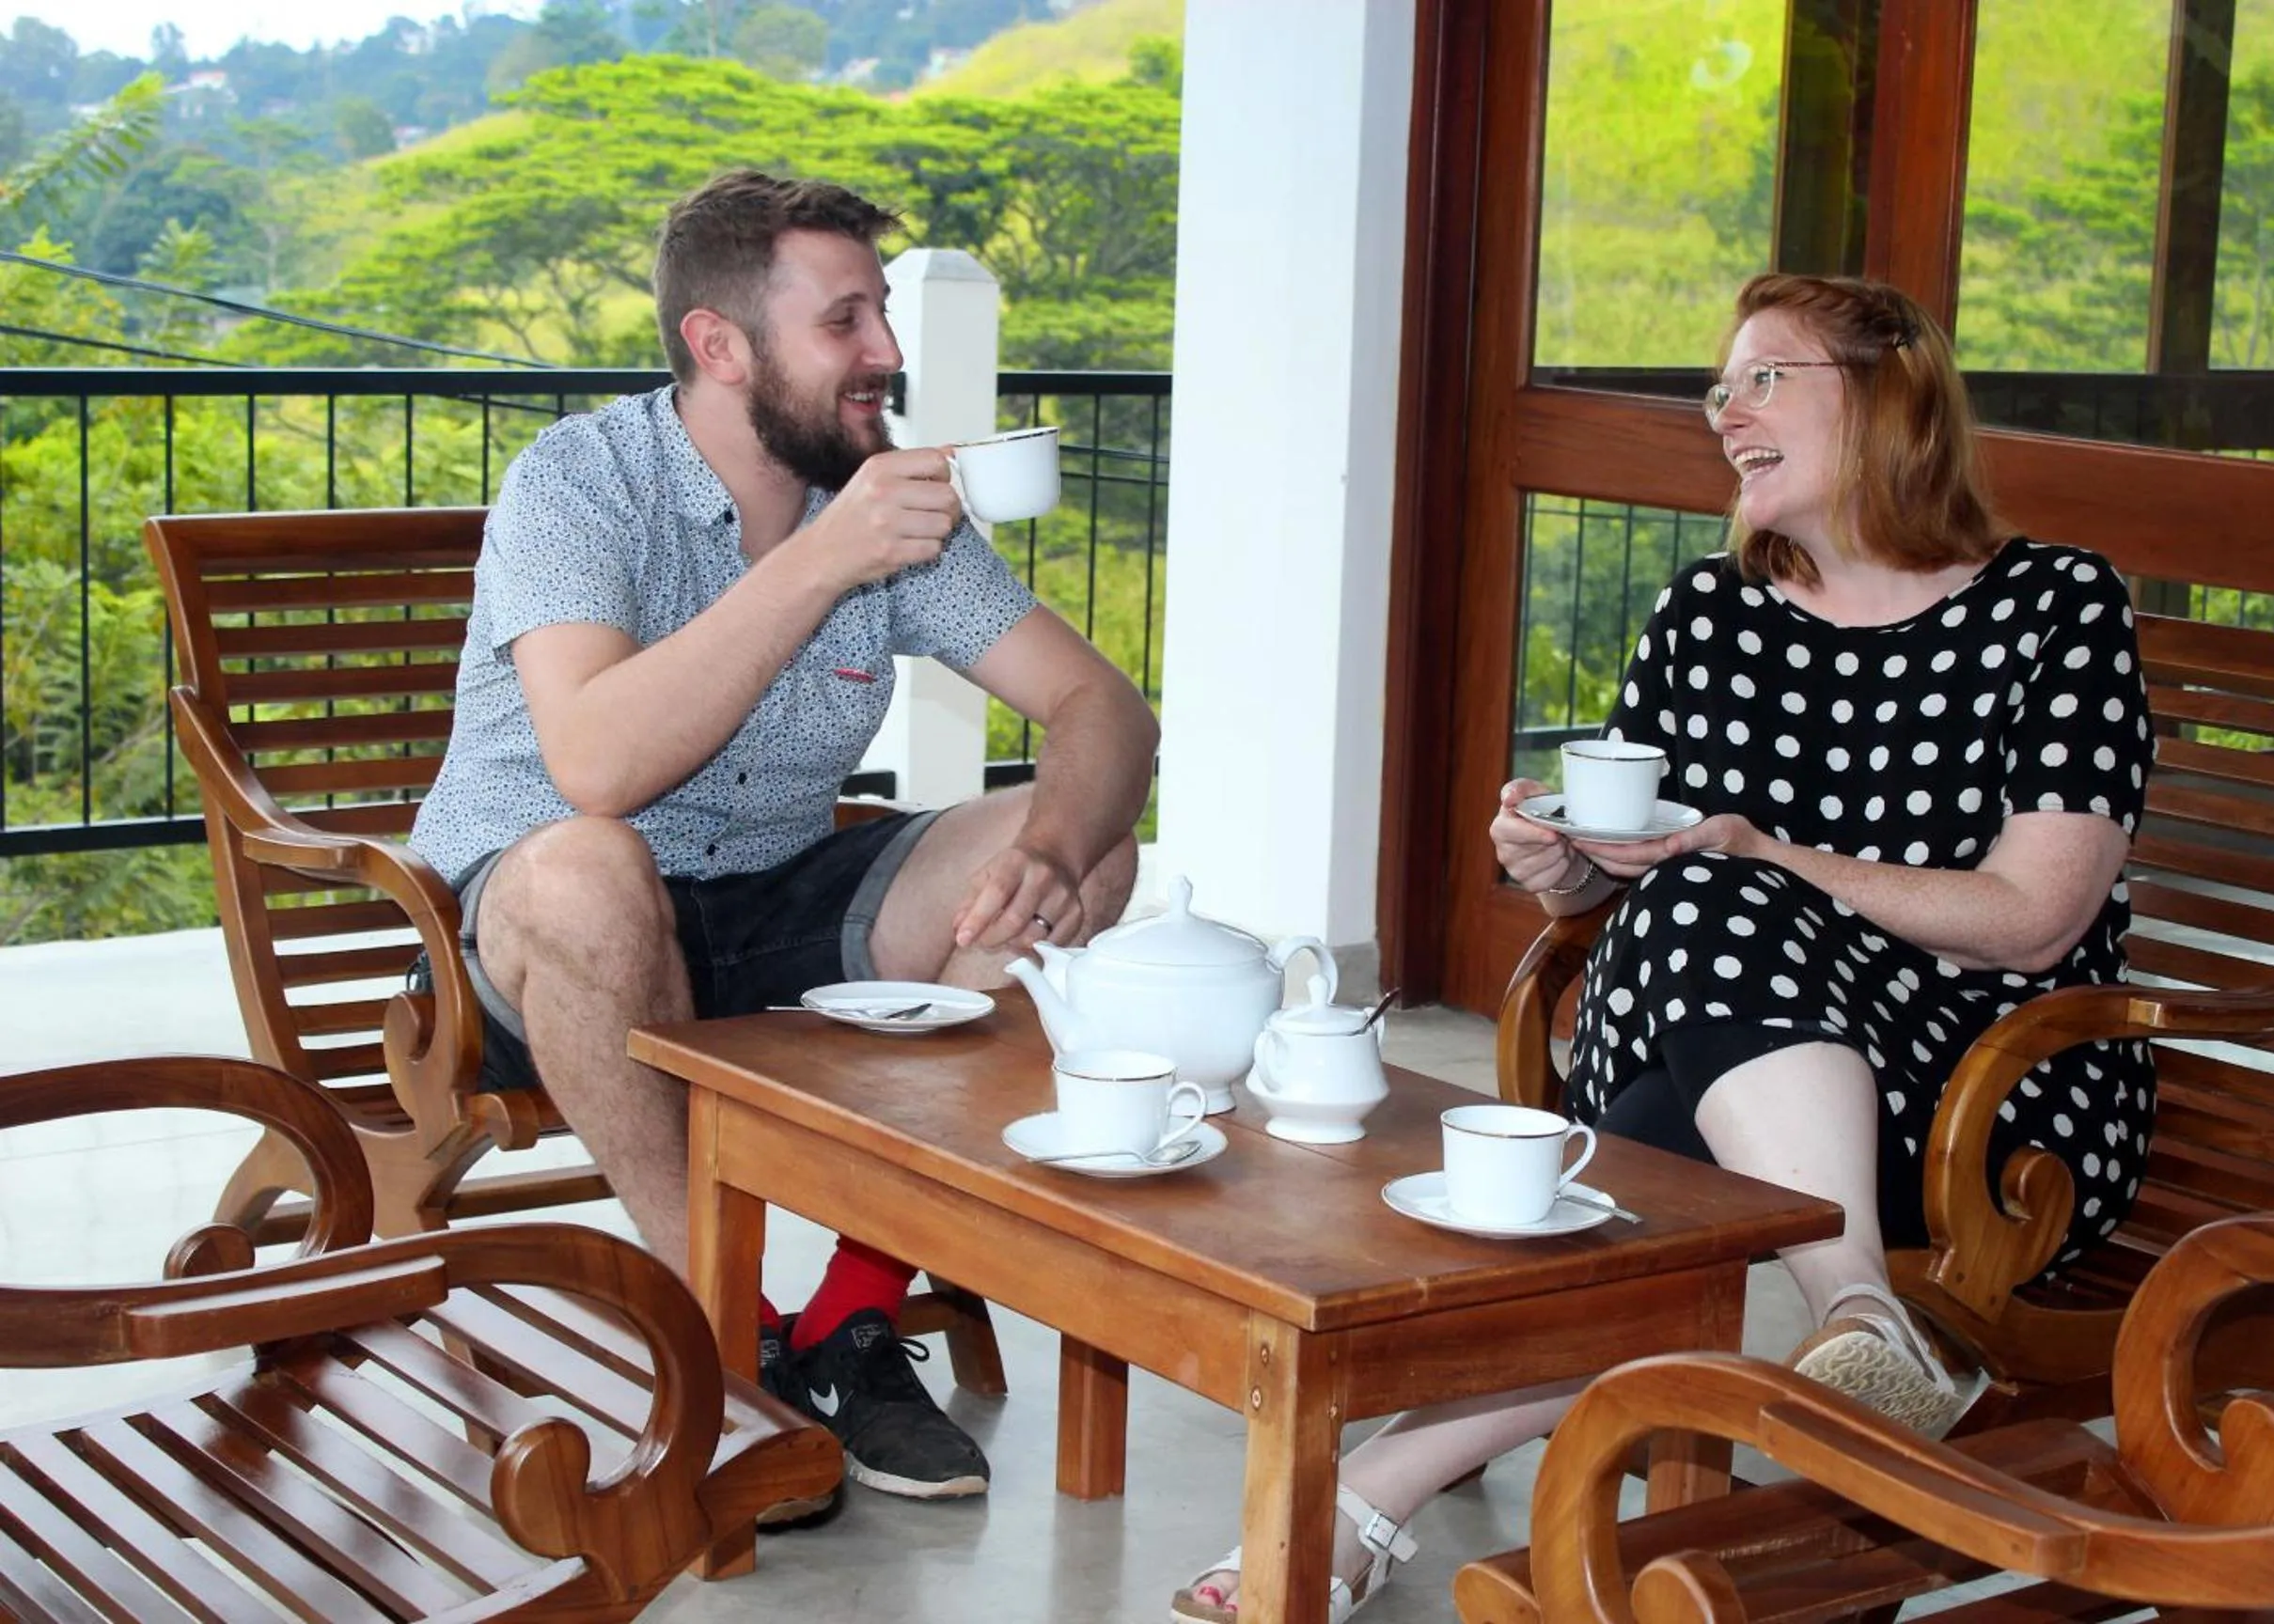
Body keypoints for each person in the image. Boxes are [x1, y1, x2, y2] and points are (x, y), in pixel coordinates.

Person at [1170, 272, 2154, 1621]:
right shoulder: (1714, 615)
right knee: (1698, 917)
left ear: (1889, 396)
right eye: (1719, 391)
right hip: (1727, 1039)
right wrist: (1562, 861)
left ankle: (1376, 1491)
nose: (1725, 416)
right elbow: (1639, 877)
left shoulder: (2056, 609)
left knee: (1681, 1033)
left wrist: (1764, 856)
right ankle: (1863, 1319)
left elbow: (2035, 915)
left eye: (1765, 379)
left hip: (1981, 1093)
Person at [409, 169, 1159, 1507]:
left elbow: (1103, 706)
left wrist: (1050, 848)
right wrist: (820, 561)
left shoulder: (881, 497)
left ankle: (852, 1320)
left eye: (882, 313)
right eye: (847, 320)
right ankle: (728, 1335)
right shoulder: (582, 483)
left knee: (1092, 846)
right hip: (539, 941)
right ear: (719, 345)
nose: (887, 352)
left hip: (771, 899)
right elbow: (592, 768)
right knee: (594, 867)